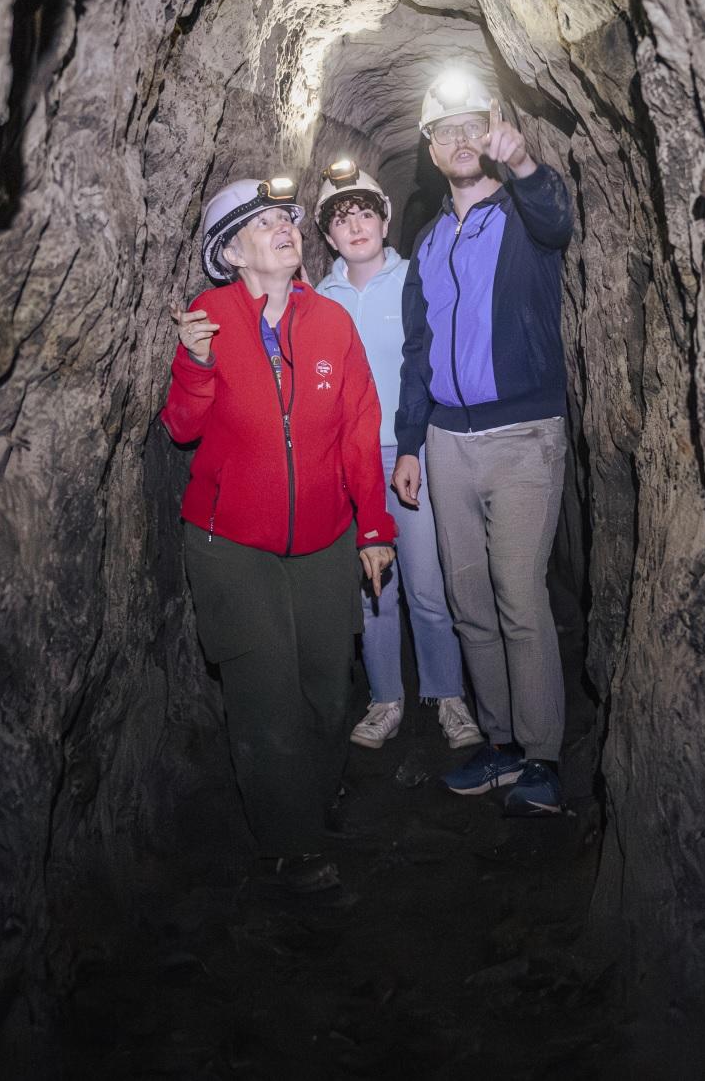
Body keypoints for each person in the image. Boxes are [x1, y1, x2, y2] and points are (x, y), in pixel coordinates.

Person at [161, 174, 396, 894]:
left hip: (325, 538)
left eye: (286, 220)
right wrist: (196, 365)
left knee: (327, 689)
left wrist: (374, 526)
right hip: (231, 542)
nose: (284, 229)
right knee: (264, 691)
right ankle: (287, 844)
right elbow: (181, 427)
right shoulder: (209, 316)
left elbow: (360, 428)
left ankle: (312, 798)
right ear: (231, 252)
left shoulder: (330, 321)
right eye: (263, 224)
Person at [393, 74, 574, 817]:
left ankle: (541, 756)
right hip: (446, 440)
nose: (461, 140)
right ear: (432, 150)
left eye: (473, 127)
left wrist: (525, 164)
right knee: (470, 600)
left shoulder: (523, 216)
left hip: (524, 434)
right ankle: (499, 744)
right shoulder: (429, 243)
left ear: (491, 133)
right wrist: (409, 442)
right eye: (446, 131)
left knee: (518, 596)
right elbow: (417, 353)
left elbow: (559, 220)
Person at [312, 160, 484, 752]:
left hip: (412, 451)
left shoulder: (418, 278)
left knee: (428, 583)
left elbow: (434, 363)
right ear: (328, 236)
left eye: (365, 212)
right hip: (349, 462)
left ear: (385, 221)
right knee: (374, 587)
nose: (355, 226)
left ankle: (447, 695)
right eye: (341, 218)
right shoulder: (318, 299)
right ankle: (386, 699)